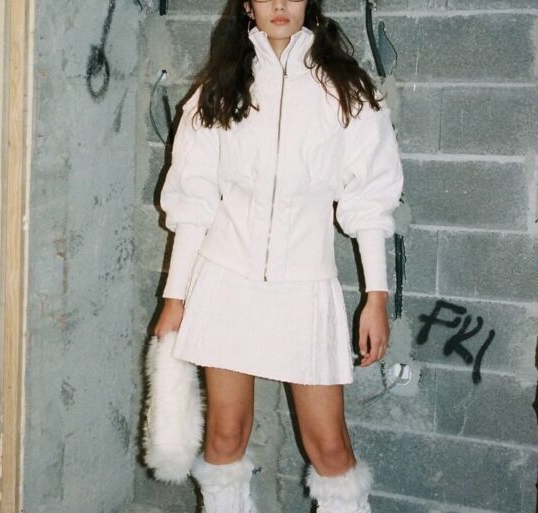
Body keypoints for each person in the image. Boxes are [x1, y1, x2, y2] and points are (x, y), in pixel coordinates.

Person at [152, 0, 403, 511]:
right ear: (248, 6)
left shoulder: (348, 91)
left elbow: (369, 199)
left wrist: (375, 296)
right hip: (226, 281)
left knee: (329, 448)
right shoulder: (219, 90)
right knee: (225, 436)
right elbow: (194, 202)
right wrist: (175, 298)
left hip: (305, 286)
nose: (280, 5)